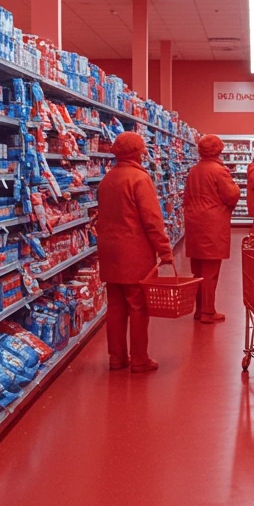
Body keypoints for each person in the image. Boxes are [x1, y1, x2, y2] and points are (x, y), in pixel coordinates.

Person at [95, 131, 173, 373]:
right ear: (138, 152)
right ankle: (140, 359)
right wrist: (165, 251)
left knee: (116, 306)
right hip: (134, 251)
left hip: (109, 251)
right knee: (139, 306)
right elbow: (152, 220)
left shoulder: (107, 179)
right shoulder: (139, 179)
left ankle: (116, 358)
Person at [182, 134, 241, 323]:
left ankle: (199, 309)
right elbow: (231, 196)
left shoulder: (193, 171)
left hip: (194, 224)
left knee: (198, 271)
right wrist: (237, 187)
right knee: (210, 271)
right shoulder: (219, 171)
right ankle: (208, 311)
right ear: (219, 150)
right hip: (212, 224)